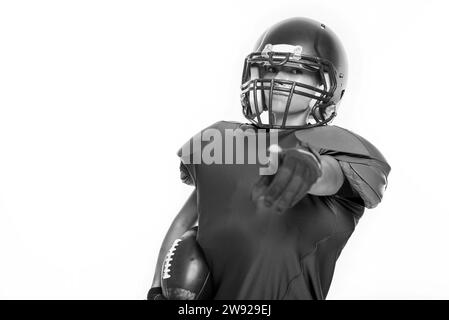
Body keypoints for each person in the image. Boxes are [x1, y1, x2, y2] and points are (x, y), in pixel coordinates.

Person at [148, 17, 390, 300]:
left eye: (295, 70)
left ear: (327, 84)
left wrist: (309, 168)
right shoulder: (221, 139)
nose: (278, 78)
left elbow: (332, 176)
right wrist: (156, 291)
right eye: (270, 68)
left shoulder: (338, 146)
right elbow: (187, 218)